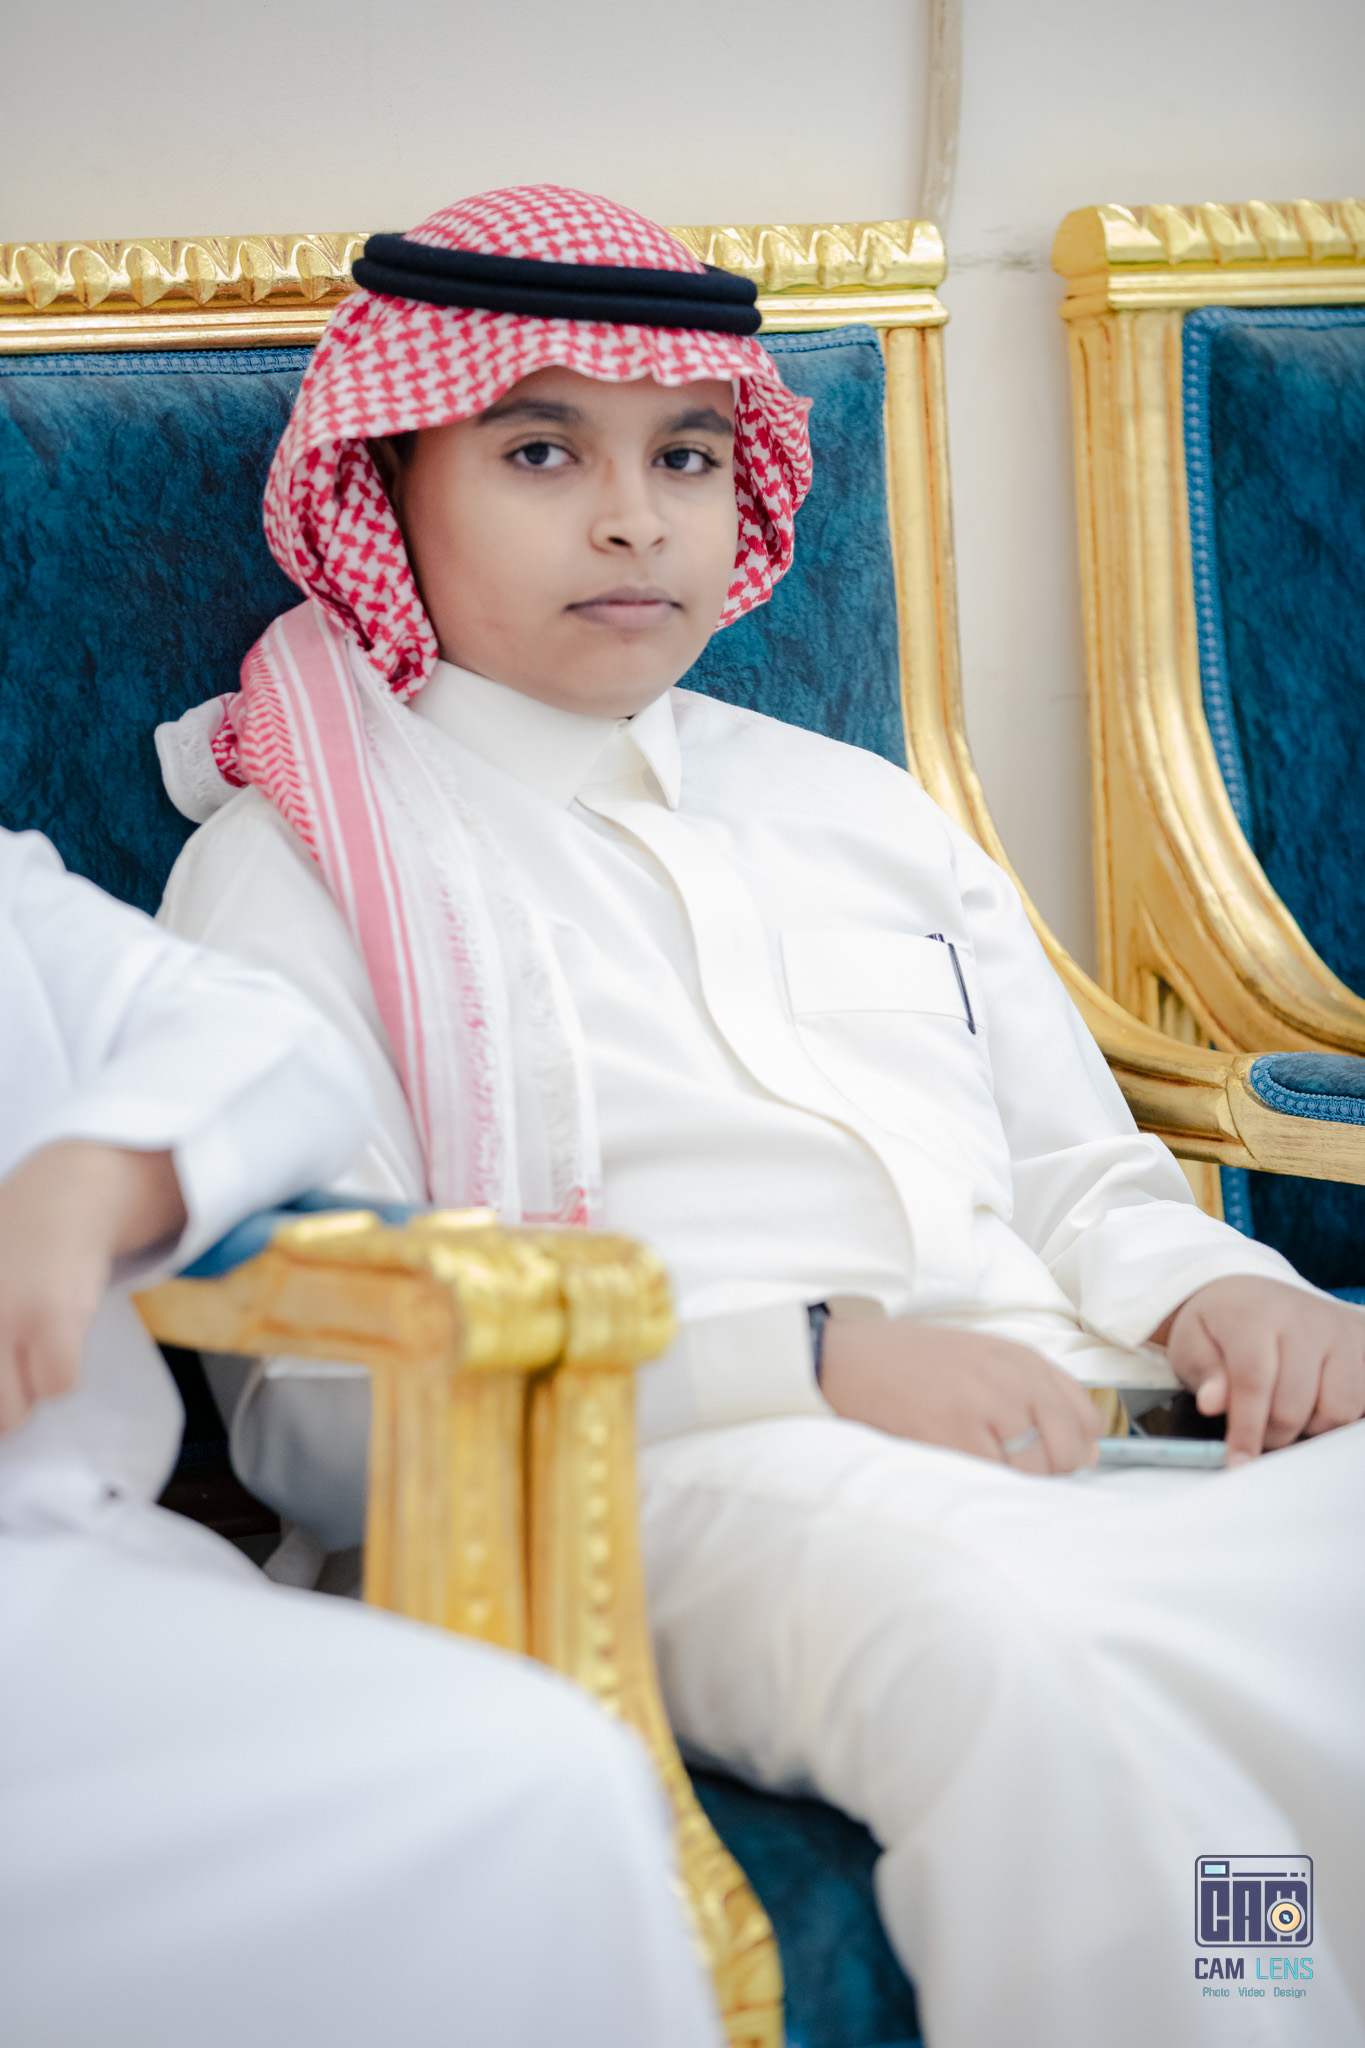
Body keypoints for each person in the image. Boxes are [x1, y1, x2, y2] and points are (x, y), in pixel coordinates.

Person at [155, 186, 1365, 2048]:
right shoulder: (298, 860)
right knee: (1039, 1664)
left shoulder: (856, 808)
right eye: (541, 451)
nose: (634, 517)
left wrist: (1232, 1291)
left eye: (687, 455)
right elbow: (317, 1406)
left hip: (1091, 1412)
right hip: (670, 1471)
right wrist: (806, 1358)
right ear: (386, 487)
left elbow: (1076, 1169)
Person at [0, 824, 720, 2048]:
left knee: (544, 1774)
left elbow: (277, 1043)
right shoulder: (276, 852)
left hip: (45, 1583)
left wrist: (89, 1178)